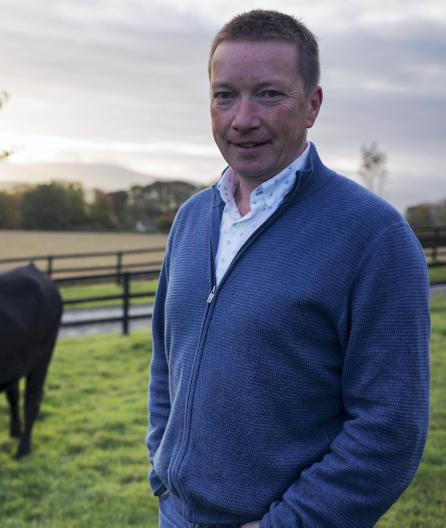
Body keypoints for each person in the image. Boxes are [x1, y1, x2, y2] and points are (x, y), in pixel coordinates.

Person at [146, 9, 430, 528]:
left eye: (269, 94)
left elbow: (391, 428)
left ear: (312, 104)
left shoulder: (373, 237)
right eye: (224, 95)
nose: (242, 118)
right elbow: (167, 362)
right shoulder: (191, 219)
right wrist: (162, 470)